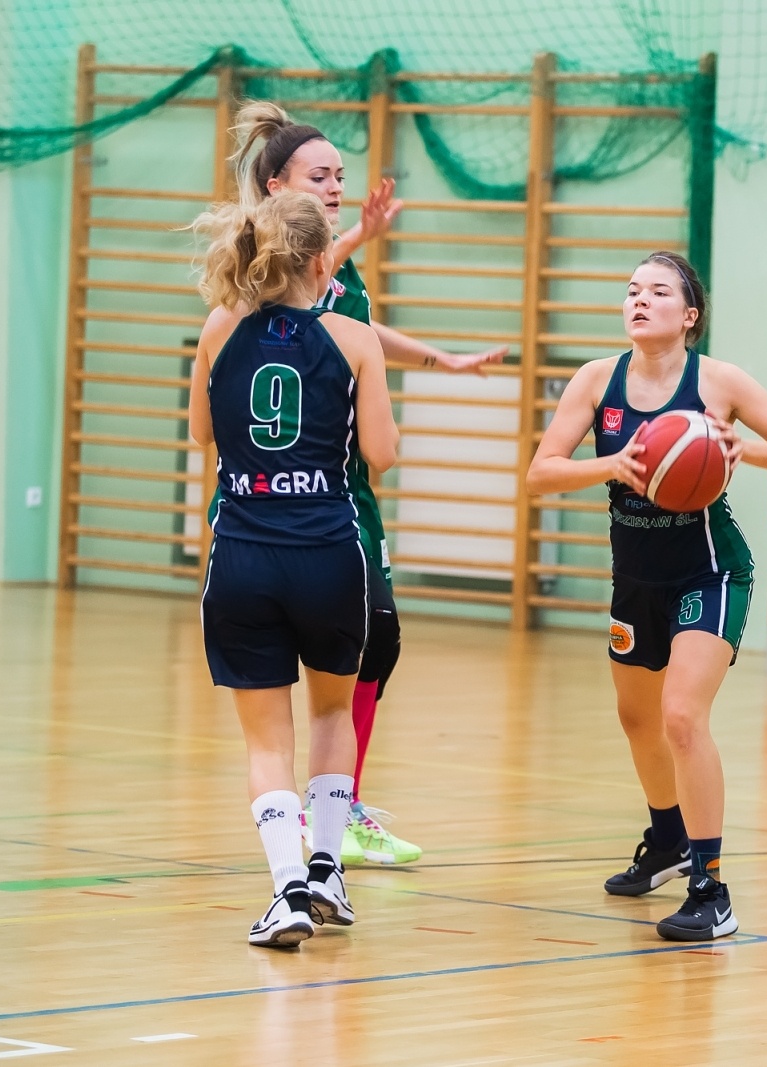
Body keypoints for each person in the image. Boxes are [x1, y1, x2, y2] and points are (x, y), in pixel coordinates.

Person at [228, 100, 507, 866]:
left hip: (345, 491)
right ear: (277, 181)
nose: (337, 186)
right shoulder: (256, 263)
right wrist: (357, 237)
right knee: (321, 664)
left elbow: (356, 328)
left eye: (342, 175)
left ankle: (335, 809)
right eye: (320, 175)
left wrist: (439, 359)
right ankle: (320, 822)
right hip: (284, 502)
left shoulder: (333, 267)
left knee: (374, 643)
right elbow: (296, 297)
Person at [527, 252, 767, 941]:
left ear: (688, 315)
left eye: (658, 291)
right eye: (632, 289)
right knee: (637, 720)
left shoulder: (718, 382)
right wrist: (612, 464)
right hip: (635, 576)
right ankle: (665, 837)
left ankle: (711, 885)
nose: (640, 299)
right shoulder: (596, 380)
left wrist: (743, 447)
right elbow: (542, 472)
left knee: (682, 717)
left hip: (710, 572)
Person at [186, 190, 399, 949]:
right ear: (322, 262)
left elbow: (202, 434)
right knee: (332, 713)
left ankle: (286, 893)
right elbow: (380, 453)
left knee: (265, 741)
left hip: (243, 552)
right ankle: (328, 867)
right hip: (328, 554)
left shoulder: (218, 329)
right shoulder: (354, 336)